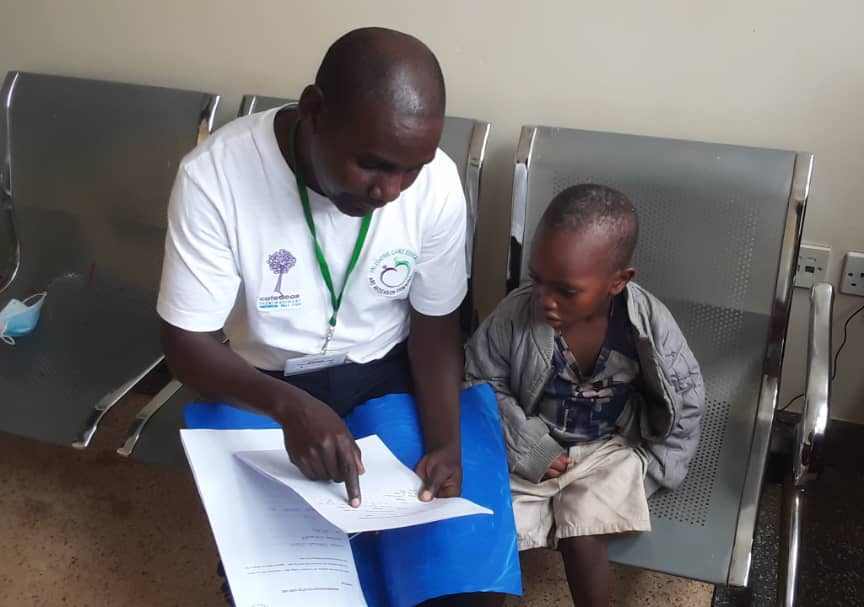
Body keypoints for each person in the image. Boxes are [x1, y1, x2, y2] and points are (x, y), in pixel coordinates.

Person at [158, 27, 504, 606]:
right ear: (314, 111)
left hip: (383, 372)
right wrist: (290, 407)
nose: (391, 190)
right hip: (261, 382)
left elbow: (435, 325)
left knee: (453, 575)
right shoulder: (216, 176)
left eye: (410, 169)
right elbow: (185, 342)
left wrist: (445, 441)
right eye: (372, 164)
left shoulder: (437, 183)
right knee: (291, 583)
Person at [465, 184, 705, 606]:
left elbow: (685, 396)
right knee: (493, 528)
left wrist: (661, 466)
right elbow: (480, 383)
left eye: (566, 290)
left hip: (611, 449)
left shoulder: (648, 327)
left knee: (585, 531)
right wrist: (530, 448)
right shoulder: (515, 316)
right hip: (531, 440)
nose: (545, 300)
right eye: (537, 280)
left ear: (618, 282)